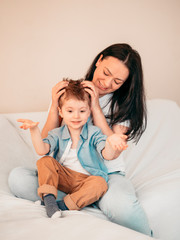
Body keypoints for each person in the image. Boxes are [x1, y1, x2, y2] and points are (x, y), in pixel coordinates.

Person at [8, 43, 152, 235]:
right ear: (99, 60)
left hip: (106, 176)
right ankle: (82, 199)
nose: (107, 83)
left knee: (121, 205)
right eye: (106, 73)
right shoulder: (71, 92)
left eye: (117, 81)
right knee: (18, 178)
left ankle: (90, 198)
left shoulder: (123, 104)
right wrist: (53, 105)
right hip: (67, 175)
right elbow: (45, 145)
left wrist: (96, 107)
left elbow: (113, 149)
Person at [17, 79, 128, 218]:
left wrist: (111, 142)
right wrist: (34, 130)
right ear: (61, 112)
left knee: (100, 183)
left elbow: (107, 154)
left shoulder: (94, 133)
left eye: (82, 111)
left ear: (89, 112)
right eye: (70, 111)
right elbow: (42, 150)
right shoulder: (57, 133)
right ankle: (49, 199)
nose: (76, 116)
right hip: (63, 177)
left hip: (86, 180)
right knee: (45, 161)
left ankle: (62, 206)